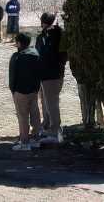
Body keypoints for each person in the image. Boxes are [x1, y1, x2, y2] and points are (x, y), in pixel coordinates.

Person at [36, 13, 66, 144]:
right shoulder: (58, 34)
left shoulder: (48, 37)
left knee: (51, 103)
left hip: (49, 74)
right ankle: (48, 125)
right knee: (48, 101)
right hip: (56, 73)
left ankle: (55, 131)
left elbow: (43, 53)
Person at [9, 32, 42, 151]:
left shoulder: (16, 57)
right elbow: (39, 73)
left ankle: (24, 142)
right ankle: (36, 139)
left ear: (19, 43)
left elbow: (12, 76)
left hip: (20, 91)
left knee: (23, 117)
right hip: (33, 90)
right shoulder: (36, 54)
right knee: (35, 114)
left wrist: (13, 90)